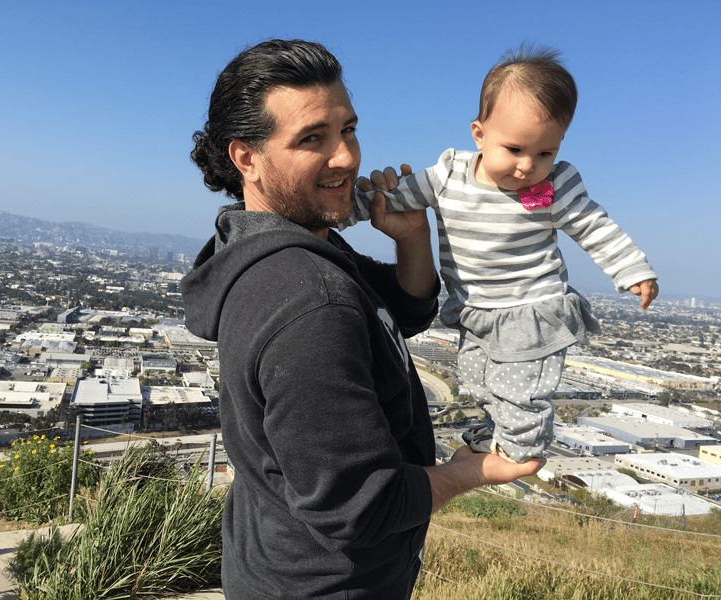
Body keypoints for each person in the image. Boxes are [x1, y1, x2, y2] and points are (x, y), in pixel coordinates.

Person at [181, 39, 544, 599]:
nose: (347, 156)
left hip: (272, 559)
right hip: (329, 585)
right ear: (246, 157)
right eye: (312, 139)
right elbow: (360, 503)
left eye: (347, 129)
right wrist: (470, 472)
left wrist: (414, 238)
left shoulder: (288, 249)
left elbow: (395, 315)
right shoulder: (308, 300)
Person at [343, 45, 659, 464]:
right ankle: (498, 429)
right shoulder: (448, 175)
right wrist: (345, 210)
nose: (529, 166)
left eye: (545, 153)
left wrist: (631, 268)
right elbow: (393, 197)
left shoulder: (556, 187)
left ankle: (521, 448)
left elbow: (592, 224)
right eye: (515, 149)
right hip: (475, 309)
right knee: (478, 379)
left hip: (531, 309)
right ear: (479, 133)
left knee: (521, 389)